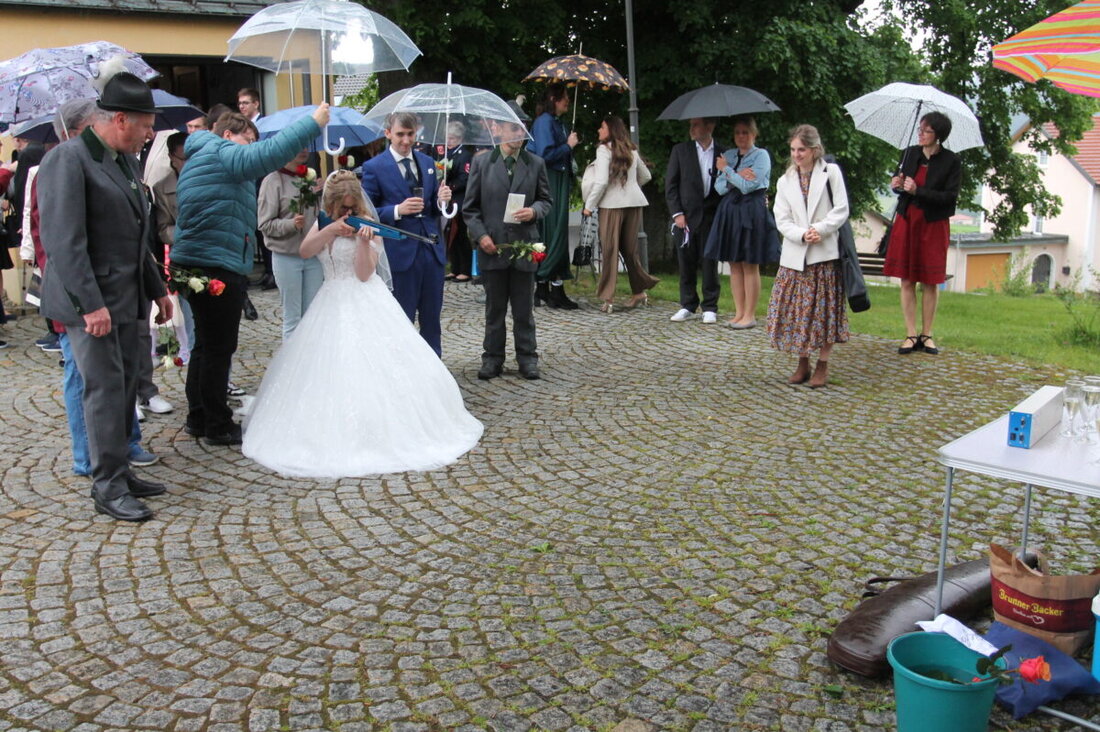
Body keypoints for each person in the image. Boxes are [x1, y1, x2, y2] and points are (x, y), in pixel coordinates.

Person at [242, 171, 483, 477]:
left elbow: (364, 274)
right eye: (341, 209)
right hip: (329, 301)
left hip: (363, 296)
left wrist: (362, 242)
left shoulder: (369, 225)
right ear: (330, 205)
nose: (347, 213)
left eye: (351, 208)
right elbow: (305, 250)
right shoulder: (326, 223)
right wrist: (332, 230)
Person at [37, 71, 174, 521]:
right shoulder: (69, 160)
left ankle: (121, 471)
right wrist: (89, 305)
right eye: (145, 126)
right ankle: (107, 486)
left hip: (127, 299)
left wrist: (158, 291)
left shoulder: (122, 161)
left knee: (123, 390)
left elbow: (137, 238)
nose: (149, 135)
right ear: (119, 119)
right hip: (92, 305)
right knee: (102, 392)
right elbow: (64, 241)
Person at [172, 106, 327, 447]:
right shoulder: (222, 152)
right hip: (216, 262)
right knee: (218, 347)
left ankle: (198, 415)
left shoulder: (203, 156)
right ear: (228, 135)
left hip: (196, 260)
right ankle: (217, 424)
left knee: (204, 345)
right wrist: (312, 124)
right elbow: (268, 154)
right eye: (248, 138)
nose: (252, 145)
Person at [463, 110, 552, 380]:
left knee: (524, 309)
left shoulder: (535, 163)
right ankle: (492, 358)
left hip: (524, 245)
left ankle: (528, 358)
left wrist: (534, 211)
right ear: (498, 130)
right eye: (512, 129)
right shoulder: (481, 163)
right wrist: (481, 236)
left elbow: (546, 200)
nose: (518, 135)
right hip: (493, 246)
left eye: (522, 129)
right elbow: (470, 209)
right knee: (495, 309)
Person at [360, 111, 453, 356]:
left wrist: (441, 200)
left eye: (410, 134)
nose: (405, 140)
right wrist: (397, 210)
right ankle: (403, 368)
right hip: (400, 254)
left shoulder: (427, 163)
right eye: (400, 134)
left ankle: (434, 369)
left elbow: (432, 209)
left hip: (431, 252)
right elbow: (365, 212)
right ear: (388, 133)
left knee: (432, 318)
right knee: (402, 318)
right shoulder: (374, 168)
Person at [768, 124, 849, 389]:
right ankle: (802, 361)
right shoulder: (785, 180)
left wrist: (820, 230)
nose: (797, 154)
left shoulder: (831, 173)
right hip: (795, 255)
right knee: (798, 312)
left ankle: (822, 364)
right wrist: (802, 234)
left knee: (823, 312)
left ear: (814, 150)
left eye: (801, 149)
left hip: (824, 254)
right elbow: (781, 217)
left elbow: (841, 209)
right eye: (793, 149)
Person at [882, 111, 962, 356]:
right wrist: (897, 185)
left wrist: (919, 191)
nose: (921, 134)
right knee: (907, 279)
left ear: (938, 135)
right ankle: (910, 333)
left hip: (933, 223)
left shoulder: (951, 161)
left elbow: (950, 197)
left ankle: (927, 334)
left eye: (926, 131)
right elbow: (903, 188)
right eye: (920, 129)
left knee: (930, 280)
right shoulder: (910, 153)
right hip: (908, 221)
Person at [704, 116, 778, 329]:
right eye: (738, 132)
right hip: (730, 210)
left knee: (749, 263)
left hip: (751, 211)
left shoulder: (761, 156)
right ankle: (738, 313)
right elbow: (718, 188)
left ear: (754, 134)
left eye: (745, 132)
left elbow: (749, 186)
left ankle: (750, 314)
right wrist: (735, 175)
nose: (741, 136)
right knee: (734, 263)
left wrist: (728, 172)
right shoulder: (727, 155)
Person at [581, 116, 659, 313]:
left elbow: (601, 182)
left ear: (611, 130)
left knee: (609, 251)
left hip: (612, 205)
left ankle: (608, 298)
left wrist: (589, 206)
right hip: (634, 203)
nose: (599, 130)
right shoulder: (630, 149)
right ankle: (639, 291)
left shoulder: (603, 150)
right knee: (629, 250)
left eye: (602, 126)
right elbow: (646, 176)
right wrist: (630, 187)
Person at [257, 148, 322, 339]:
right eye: (297, 145)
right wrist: (290, 224)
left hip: (313, 256)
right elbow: (264, 224)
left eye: (305, 146)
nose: (303, 150)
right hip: (286, 256)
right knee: (293, 317)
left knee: (312, 315)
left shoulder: (308, 177)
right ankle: (291, 367)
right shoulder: (272, 181)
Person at [666, 118, 725, 324]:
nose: (691, 129)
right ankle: (687, 304)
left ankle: (710, 306)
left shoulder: (723, 152)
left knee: (709, 261)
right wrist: (677, 213)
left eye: (696, 124)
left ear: (709, 126)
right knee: (686, 261)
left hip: (711, 215)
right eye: (691, 125)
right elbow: (671, 185)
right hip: (686, 217)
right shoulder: (680, 151)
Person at [530, 82, 579, 310]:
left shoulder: (556, 123)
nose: (567, 101)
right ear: (554, 99)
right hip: (550, 182)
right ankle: (547, 286)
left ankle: (547, 288)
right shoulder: (544, 123)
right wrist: (568, 146)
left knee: (553, 233)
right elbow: (544, 155)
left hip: (557, 180)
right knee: (552, 233)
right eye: (564, 97)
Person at [151, 131, 194, 364]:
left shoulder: (205, 179)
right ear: (172, 158)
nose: (189, 163)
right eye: (184, 158)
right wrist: (184, 233)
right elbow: (162, 229)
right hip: (184, 257)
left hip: (211, 255)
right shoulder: (161, 188)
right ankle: (189, 351)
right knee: (189, 315)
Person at [434, 121, 475, 282]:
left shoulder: (465, 155)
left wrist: (449, 185)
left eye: (451, 138)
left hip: (459, 199)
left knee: (460, 235)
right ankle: (455, 267)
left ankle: (465, 269)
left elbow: (465, 178)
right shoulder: (447, 154)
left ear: (459, 138)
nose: (449, 141)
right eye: (447, 138)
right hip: (448, 200)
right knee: (449, 234)